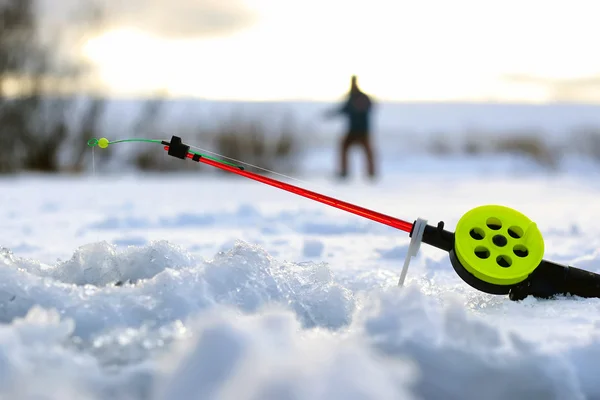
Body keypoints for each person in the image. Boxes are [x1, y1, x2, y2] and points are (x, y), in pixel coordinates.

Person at [324, 75, 376, 180]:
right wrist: (331, 114)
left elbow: (369, 106)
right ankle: (344, 172)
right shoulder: (351, 98)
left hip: (363, 131)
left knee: (368, 151)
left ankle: (371, 174)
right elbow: (343, 109)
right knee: (344, 148)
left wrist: (357, 107)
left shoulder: (363, 97)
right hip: (352, 131)